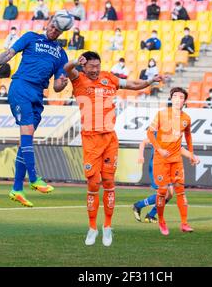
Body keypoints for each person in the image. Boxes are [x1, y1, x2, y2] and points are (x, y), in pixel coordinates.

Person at [63, 51, 163, 247]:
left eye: (97, 66)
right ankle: (92, 227)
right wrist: (75, 62)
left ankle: (107, 227)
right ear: (84, 66)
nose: (95, 70)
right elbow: (67, 69)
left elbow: (133, 85)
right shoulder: (78, 78)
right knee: (93, 184)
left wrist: (150, 81)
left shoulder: (109, 77)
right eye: (91, 66)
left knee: (108, 182)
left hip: (110, 138)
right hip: (90, 139)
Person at [0, 15, 69, 208]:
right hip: (21, 87)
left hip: (38, 95)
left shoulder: (61, 54)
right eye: (53, 26)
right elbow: (8, 54)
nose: (54, 31)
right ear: (48, 23)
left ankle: (17, 189)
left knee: (25, 140)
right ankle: (34, 177)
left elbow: (57, 88)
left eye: (58, 30)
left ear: (61, 33)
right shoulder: (30, 37)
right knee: (26, 131)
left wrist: (62, 82)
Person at [147, 87, 198, 235]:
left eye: (181, 97)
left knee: (180, 191)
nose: (178, 99)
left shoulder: (186, 118)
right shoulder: (161, 114)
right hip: (161, 159)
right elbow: (150, 133)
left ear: (184, 101)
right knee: (162, 191)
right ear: (171, 98)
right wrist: (159, 149)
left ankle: (184, 223)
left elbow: (188, 136)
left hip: (176, 160)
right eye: (175, 96)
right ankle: (161, 221)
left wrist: (191, 155)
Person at [132, 137, 198, 223]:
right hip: (156, 167)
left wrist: (193, 156)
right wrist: (141, 156)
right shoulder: (159, 133)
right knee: (165, 192)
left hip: (166, 166)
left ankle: (150, 215)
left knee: (169, 194)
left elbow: (180, 149)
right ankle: (139, 206)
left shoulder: (174, 135)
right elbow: (143, 142)